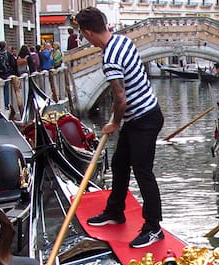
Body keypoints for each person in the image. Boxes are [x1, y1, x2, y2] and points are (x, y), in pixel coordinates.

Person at [77, 7, 165, 249]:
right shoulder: (123, 41)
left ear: (87, 33)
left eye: (84, 36)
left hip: (144, 118)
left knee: (143, 172)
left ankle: (153, 228)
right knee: (119, 163)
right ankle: (115, 211)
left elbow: (120, 98)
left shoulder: (110, 57)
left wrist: (114, 123)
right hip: (140, 117)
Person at [0, 41, 17, 108]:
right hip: (6, 74)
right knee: (6, 89)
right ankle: (6, 104)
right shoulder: (8, 54)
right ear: (5, 46)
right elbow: (13, 64)